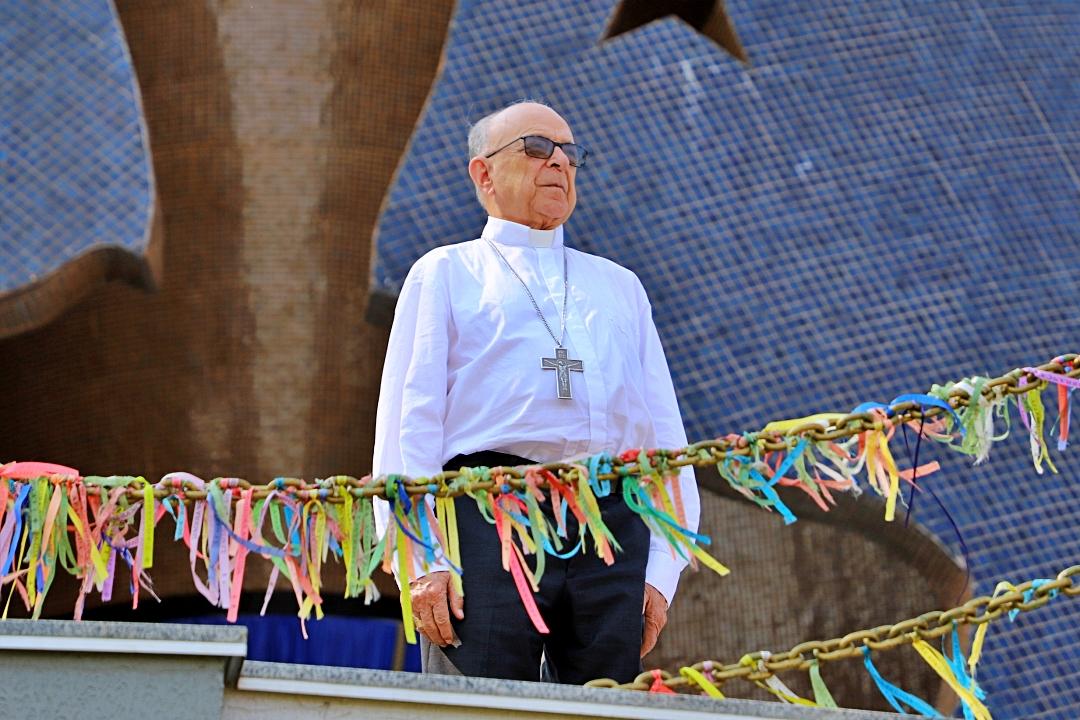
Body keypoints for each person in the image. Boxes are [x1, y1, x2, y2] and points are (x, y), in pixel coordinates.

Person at [372, 100, 700, 684]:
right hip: (485, 514)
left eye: (570, 153)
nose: (560, 163)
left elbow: (664, 436)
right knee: (482, 703)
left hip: (611, 523)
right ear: (484, 174)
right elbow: (408, 423)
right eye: (537, 148)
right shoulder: (446, 272)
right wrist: (420, 559)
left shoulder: (619, 286)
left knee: (603, 705)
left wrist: (661, 568)